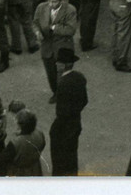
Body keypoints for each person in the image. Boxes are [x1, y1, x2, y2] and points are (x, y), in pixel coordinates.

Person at [33, 0, 77, 101]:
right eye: (49, 1)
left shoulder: (70, 10)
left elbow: (71, 30)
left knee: (62, 75)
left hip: (63, 48)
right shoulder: (41, 7)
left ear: (62, 0)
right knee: (51, 74)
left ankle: (63, 96)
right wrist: (37, 32)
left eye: (54, 2)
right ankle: (55, 93)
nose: (51, 4)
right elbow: (35, 22)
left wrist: (53, 27)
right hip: (47, 48)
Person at [49, 47, 87, 176]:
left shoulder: (63, 83)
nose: (56, 64)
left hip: (64, 126)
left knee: (59, 155)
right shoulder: (79, 77)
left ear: (65, 65)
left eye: (58, 62)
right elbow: (84, 100)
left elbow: (61, 112)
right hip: (76, 122)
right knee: (72, 153)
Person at [0, 108, 46, 176]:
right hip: (35, 169)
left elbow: (3, 159)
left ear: (20, 125)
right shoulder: (39, 133)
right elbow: (42, 145)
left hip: (19, 173)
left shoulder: (15, 142)